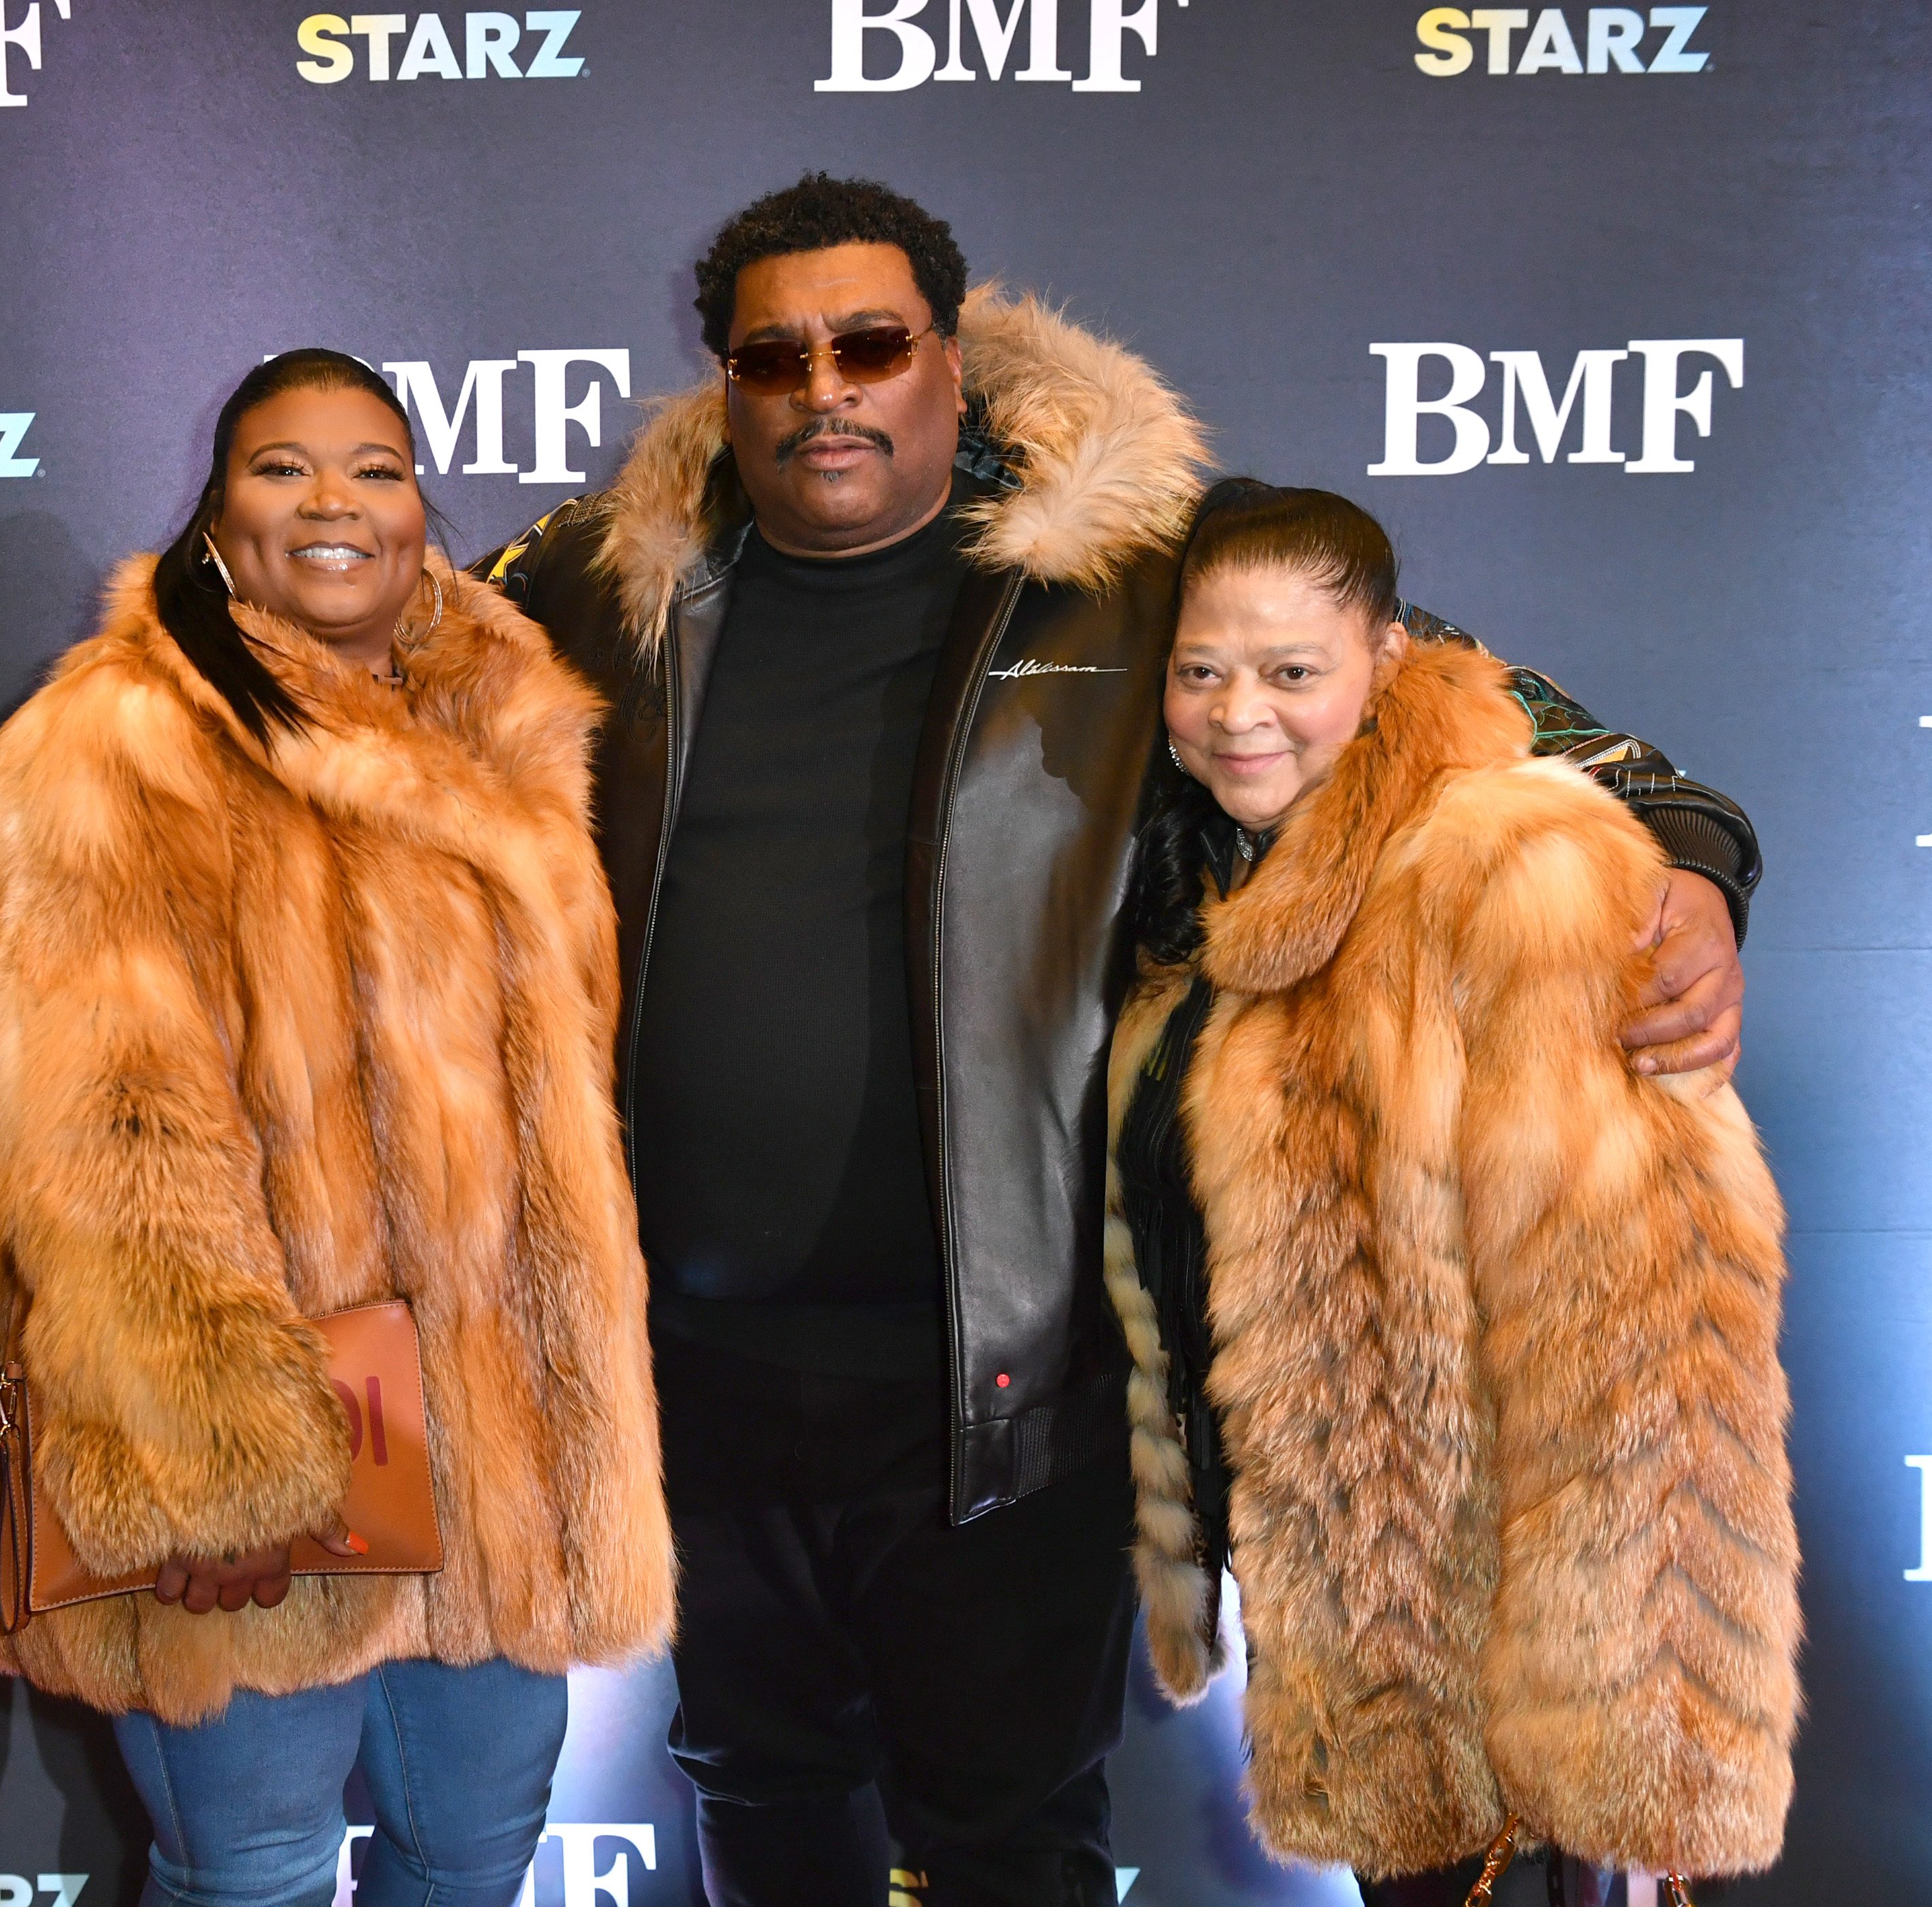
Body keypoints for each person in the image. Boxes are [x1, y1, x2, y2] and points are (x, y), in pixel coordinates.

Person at [479, 175, 1764, 1907]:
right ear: (726, 385)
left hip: (1012, 1377)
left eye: (869, 343)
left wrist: (1686, 860)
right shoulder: (595, 588)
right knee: (758, 1795)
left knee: (1006, 1834)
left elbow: (1495, 718)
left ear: (953, 359)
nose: (825, 388)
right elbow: (324, 656)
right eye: (774, 359)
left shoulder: (1141, 566)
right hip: (690, 1377)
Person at [0, 349, 676, 1907]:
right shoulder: (118, 738)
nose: (334, 500)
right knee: (250, 1875)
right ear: (215, 513)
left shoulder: (512, 725)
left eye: (375, 467)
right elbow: (104, 1130)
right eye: (283, 466)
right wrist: (215, 1459)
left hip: (490, 1442)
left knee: (470, 1865)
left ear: (419, 506)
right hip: (256, 1431)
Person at [1105, 480, 1798, 1907]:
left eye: (1296, 672)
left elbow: (1635, 1315)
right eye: (1202, 671)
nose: (1243, 711)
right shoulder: (1195, 878)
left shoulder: (1508, 862)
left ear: (1391, 659)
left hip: (1529, 1620)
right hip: (1362, 1603)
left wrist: (1623, 1697)